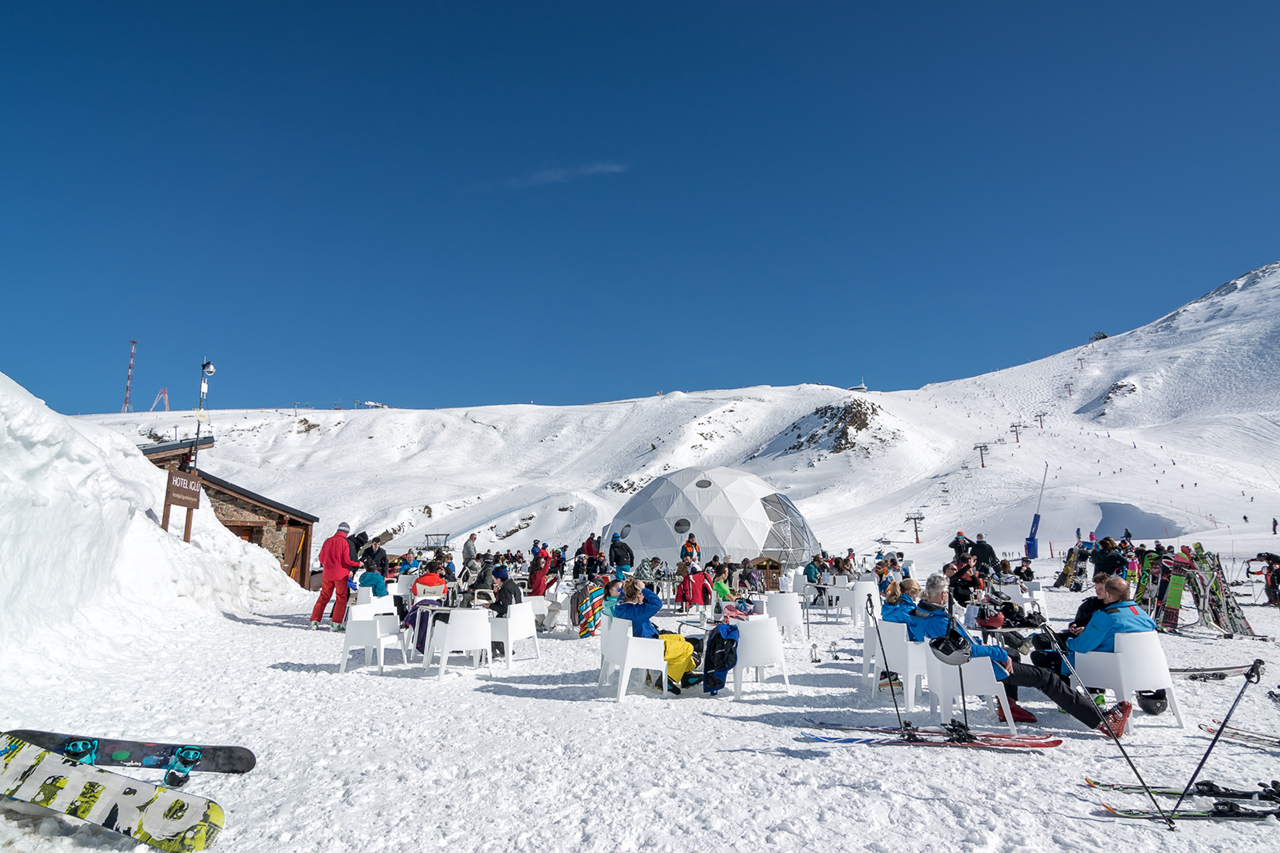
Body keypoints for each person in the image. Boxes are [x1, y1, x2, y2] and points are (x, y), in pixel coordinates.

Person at [908, 575, 1132, 735]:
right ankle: (1101, 722)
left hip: (954, 669)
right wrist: (996, 652)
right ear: (944, 595)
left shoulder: (921, 616)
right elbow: (967, 649)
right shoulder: (941, 621)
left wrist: (1001, 652)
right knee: (1047, 677)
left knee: (1013, 652)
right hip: (976, 669)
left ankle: (1009, 705)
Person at [612, 579, 701, 693]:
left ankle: (686, 676)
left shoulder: (620, 607)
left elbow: (623, 597)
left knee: (679, 638)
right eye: (641, 594)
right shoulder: (637, 611)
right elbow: (657, 603)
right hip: (648, 648)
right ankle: (666, 681)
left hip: (640, 643)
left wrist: (627, 586)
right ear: (638, 595)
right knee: (687, 647)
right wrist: (644, 589)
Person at [311, 522, 362, 631]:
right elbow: (348, 560)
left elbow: (321, 559)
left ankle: (314, 621)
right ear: (347, 532)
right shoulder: (345, 543)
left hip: (327, 575)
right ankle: (336, 623)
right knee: (341, 599)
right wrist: (358, 564)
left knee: (323, 597)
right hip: (341, 576)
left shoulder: (328, 541)